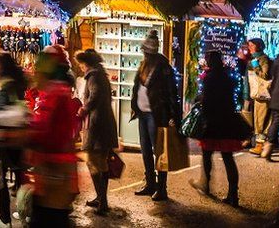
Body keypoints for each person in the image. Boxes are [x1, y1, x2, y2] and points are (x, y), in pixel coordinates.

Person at [190, 51, 251, 206]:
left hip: (212, 123)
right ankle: (233, 194)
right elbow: (232, 99)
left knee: (207, 155)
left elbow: (207, 100)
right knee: (228, 158)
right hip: (227, 122)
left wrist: (200, 103)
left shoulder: (209, 78)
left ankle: (205, 185)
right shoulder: (227, 76)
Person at [26, 50, 78, 227]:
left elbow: (46, 133)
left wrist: (23, 133)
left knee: (49, 220)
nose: (34, 74)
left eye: (37, 70)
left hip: (53, 173)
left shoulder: (54, 94)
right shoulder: (59, 92)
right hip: (58, 172)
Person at [130, 32, 181, 200]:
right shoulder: (144, 65)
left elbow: (172, 92)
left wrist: (174, 114)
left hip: (156, 114)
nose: (143, 53)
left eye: (145, 51)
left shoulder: (163, 66)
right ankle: (150, 183)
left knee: (159, 151)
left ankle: (162, 188)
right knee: (145, 151)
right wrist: (134, 106)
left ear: (150, 52)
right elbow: (137, 86)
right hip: (143, 113)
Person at [0, 52, 28, 228]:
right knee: (21, 178)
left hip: (6, 138)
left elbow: (0, 112)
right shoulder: (19, 82)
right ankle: (26, 215)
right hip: (20, 138)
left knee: (0, 182)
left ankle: (4, 219)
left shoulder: (3, 86)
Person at [74, 49, 118, 215]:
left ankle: (103, 200)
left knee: (96, 162)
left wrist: (83, 109)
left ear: (87, 64)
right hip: (102, 124)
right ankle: (100, 197)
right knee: (97, 162)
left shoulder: (94, 76)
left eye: (82, 65)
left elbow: (94, 96)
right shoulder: (100, 74)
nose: (82, 68)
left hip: (98, 126)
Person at [245, 38, 272, 154]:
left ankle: (260, 146)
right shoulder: (253, 59)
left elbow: (265, 75)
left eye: (252, 45)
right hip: (254, 94)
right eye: (249, 45)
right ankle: (260, 144)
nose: (249, 47)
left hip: (261, 94)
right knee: (256, 119)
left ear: (259, 46)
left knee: (260, 120)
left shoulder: (263, 59)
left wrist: (255, 65)